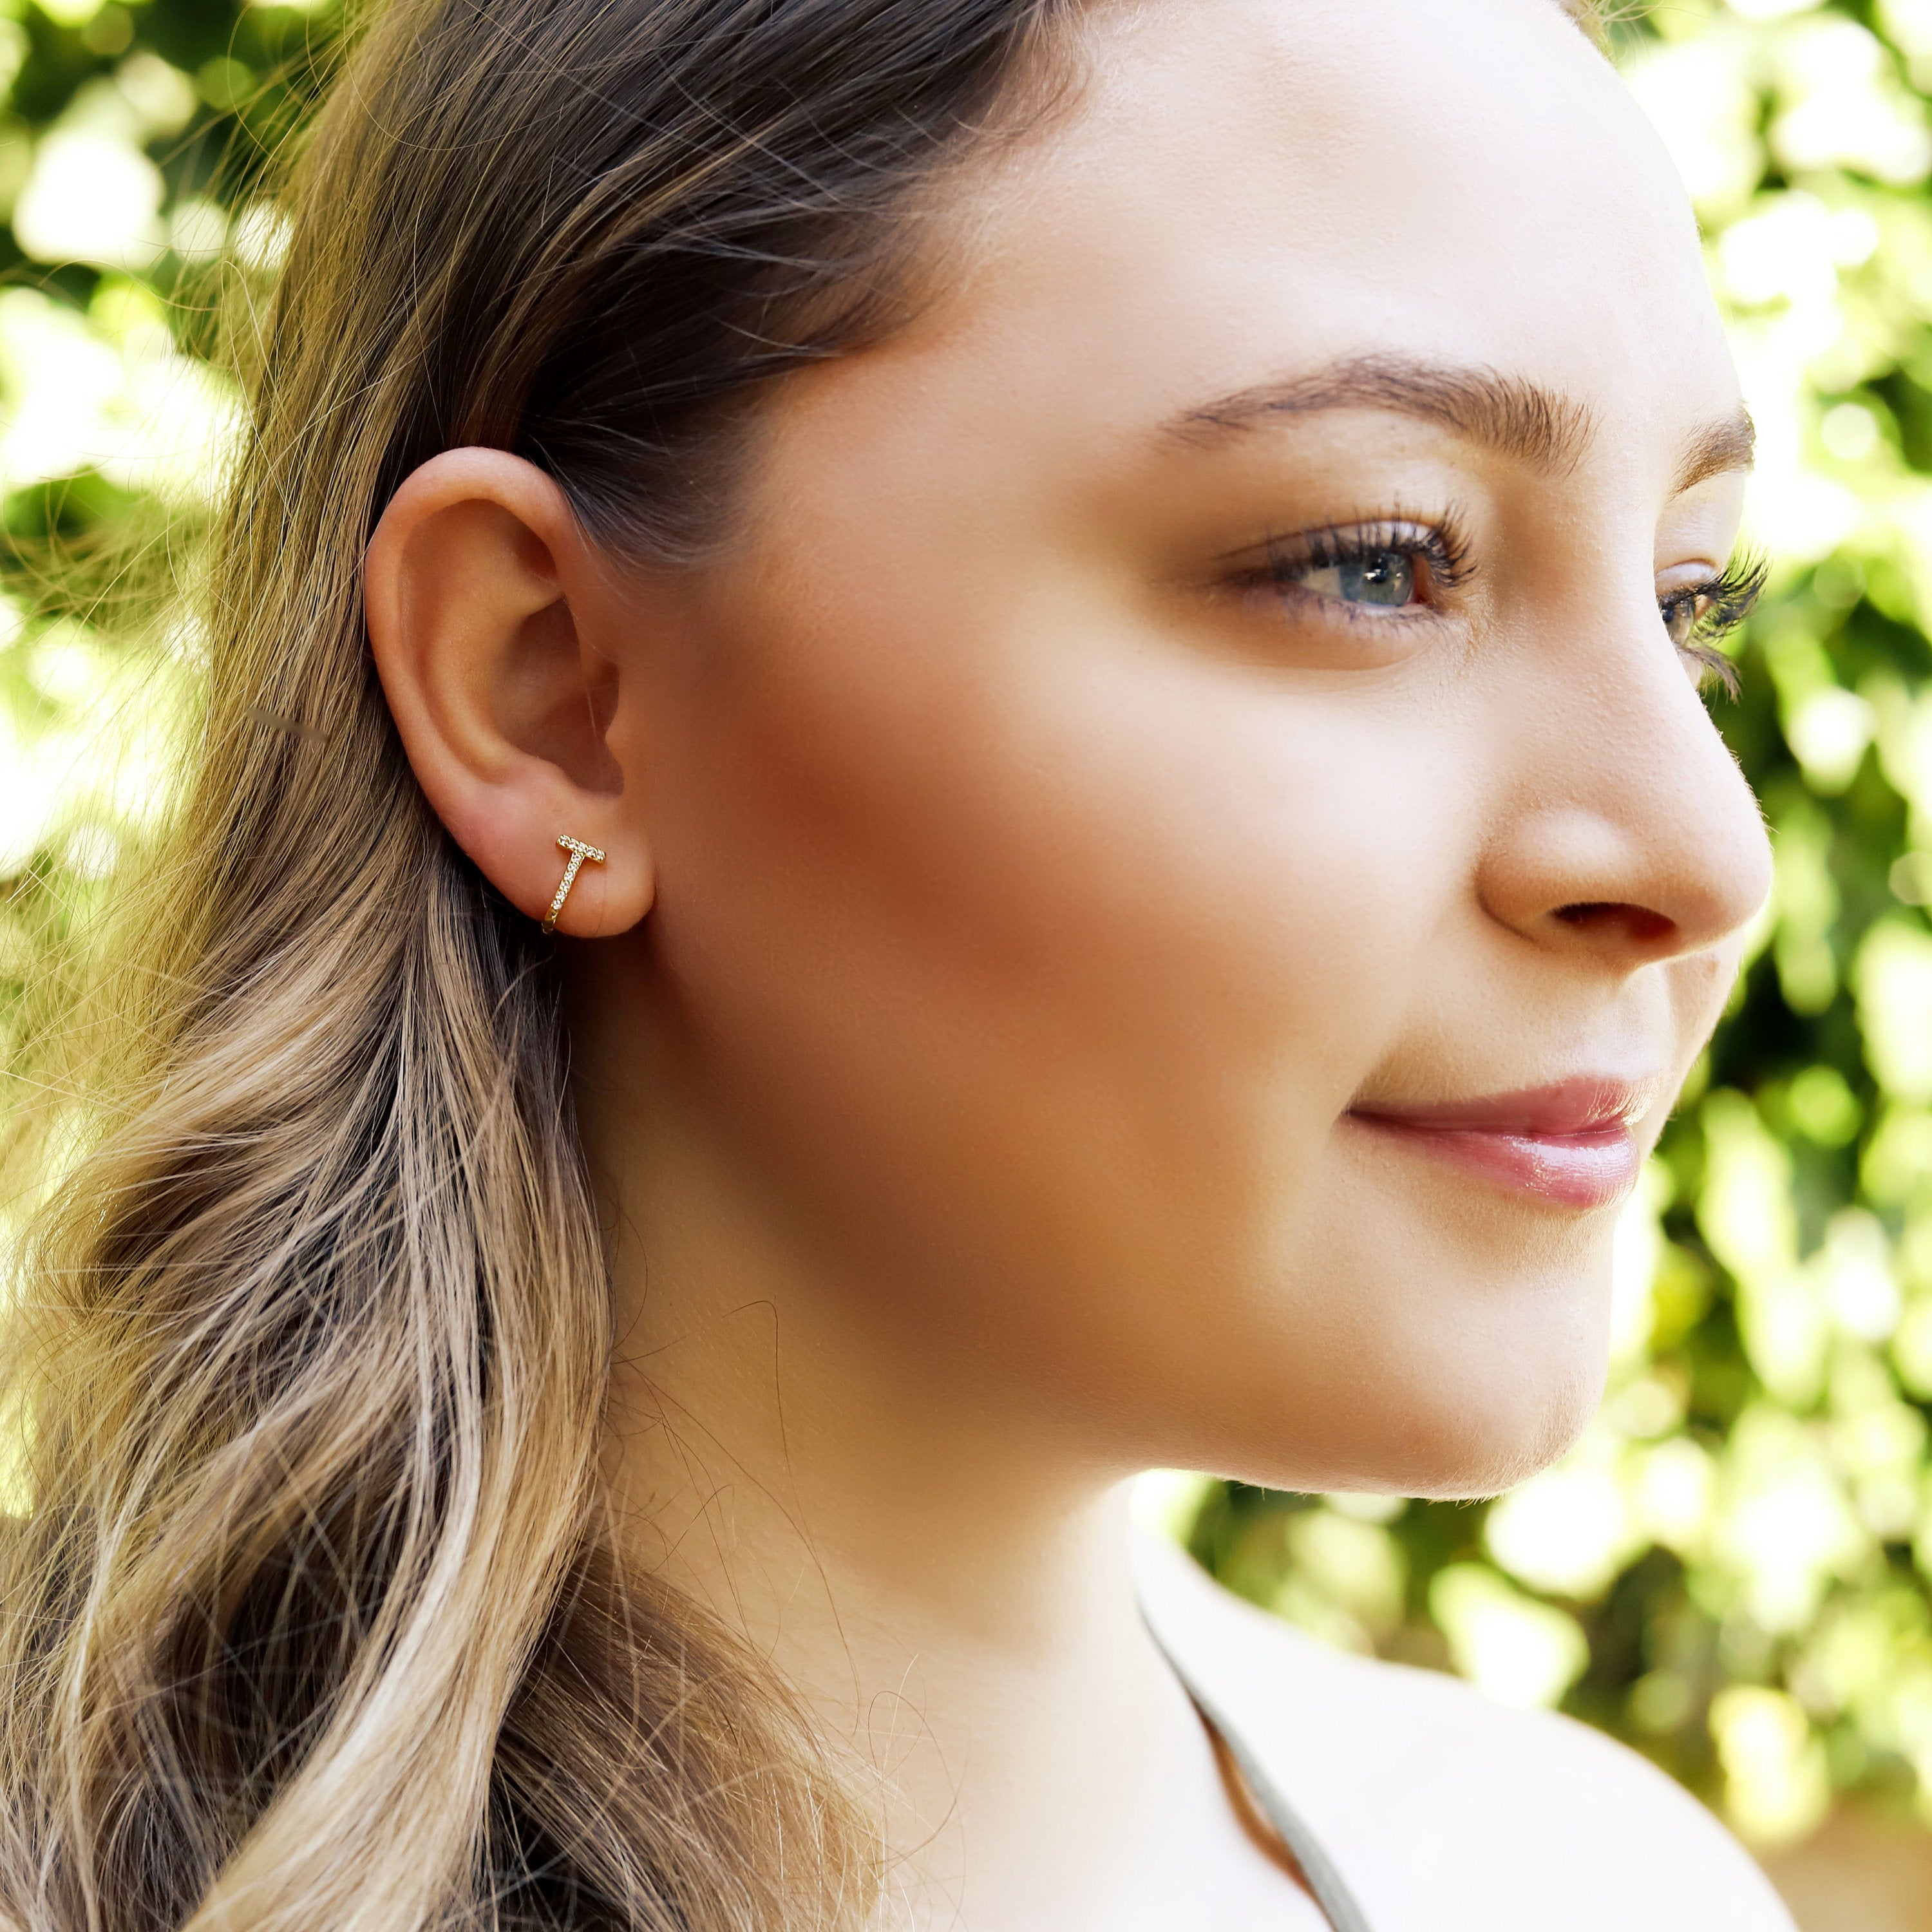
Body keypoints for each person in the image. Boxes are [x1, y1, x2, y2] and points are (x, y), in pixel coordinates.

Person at [0, 0, 1805, 1925]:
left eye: (1692, 600)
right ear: (555, 695)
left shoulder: (1597, 1889)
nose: (1710, 859)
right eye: (1371, 558)